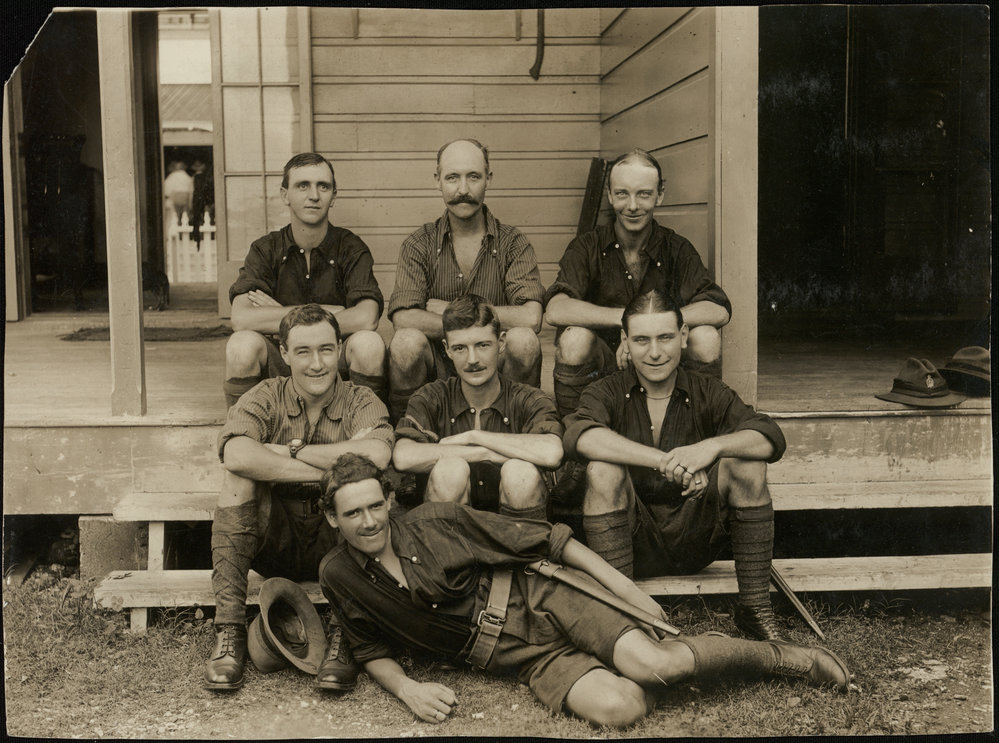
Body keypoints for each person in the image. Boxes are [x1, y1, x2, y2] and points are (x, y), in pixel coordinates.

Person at [316, 454, 850, 728]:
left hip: (543, 599)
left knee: (656, 664)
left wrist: (629, 593)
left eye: (375, 505)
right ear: (332, 519)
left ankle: (782, 657)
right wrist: (407, 689)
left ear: (390, 500)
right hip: (515, 657)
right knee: (622, 707)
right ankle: (661, 660)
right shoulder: (337, 575)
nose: (369, 521)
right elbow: (368, 646)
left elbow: (553, 541)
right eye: (352, 513)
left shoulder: (436, 521)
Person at [563, 289, 786, 641]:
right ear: (625, 341)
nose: (655, 352)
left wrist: (710, 448)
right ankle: (623, 614)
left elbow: (769, 436)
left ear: (683, 337)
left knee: (747, 464)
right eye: (642, 340)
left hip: (697, 535)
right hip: (629, 539)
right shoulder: (605, 391)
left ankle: (755, 610)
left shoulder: (707, 390)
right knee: (602, 469)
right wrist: (665, 461)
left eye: (665, 337)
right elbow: (581, 437)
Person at [205, 304, 394, 691]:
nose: (317, 364)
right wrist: (334, 471)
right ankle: (230, 630)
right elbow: (236, 454)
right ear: (284, 353)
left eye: (326, 349)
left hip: (337, 540)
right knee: (238, 479)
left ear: (340, 349)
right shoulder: (265, 395)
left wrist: (288, 451)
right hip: (277, 537)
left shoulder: (361, 400)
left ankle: (345, 634)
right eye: (303, 351)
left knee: (360, 494)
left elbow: (376, 455)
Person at [544, 149, 732, 419]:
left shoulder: (677, 248)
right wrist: (628, 321)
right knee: (574, 339)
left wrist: (649, 329)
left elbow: (718, 309)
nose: (632, 206)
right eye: (622, 194)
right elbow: (556, 309)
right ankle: (576, 429)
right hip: (606, 366)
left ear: (660, 194)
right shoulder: (587, 246)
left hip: (660, 362)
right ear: (610, 195)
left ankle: (699, 425)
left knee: (706, 337)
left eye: (643, 194)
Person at [386, 138, 545, 421]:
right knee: (405, 343)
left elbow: (531, 317)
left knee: (524, 341)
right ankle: (412, 428)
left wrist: (450, 311)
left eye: (473, 177)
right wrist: (478, 326)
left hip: (492, 358)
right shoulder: (418, 244)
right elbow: (403, 319)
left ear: (488, 179)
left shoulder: (513, 242)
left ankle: (515, 426)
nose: (463, 190)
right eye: (452, 177)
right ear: (437, 180)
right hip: (440, 359)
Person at [223, 152, 386, 409]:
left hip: (333, 359)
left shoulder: (351, 248)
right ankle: (243, 426)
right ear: (285, 194)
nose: (314, 195)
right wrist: (325, 313)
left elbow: (367, 318)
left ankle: (365, 422)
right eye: (302, 186)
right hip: (284, 359)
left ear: (334, 195)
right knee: (240, 345)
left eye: (323, 186)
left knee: (369, 344)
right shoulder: (265, 249)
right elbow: (241, 318)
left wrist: (281, 317)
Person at [392, 295, 562, 521]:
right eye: (460, 348)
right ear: (447, 350)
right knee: (450, 471)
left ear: (501, 343)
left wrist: (475, 436)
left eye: (482, 345)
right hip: (451, 529)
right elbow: (403, 456)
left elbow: (551, 452)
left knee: (519, 472)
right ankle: (450, 545)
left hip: (518, 530)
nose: (472, 359)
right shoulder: (432, 396)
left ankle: (524, 546)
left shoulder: (528, 398)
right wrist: (482, 453)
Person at [164, 160, 194, 226]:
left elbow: (167, 186)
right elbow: (191, 188)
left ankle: (178, 222)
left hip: (175, 195)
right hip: (185, 195)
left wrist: (167, 195)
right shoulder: (187, 176)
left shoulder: (172, 175)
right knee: (186, 212)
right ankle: (187, 223)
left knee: (176, 212)